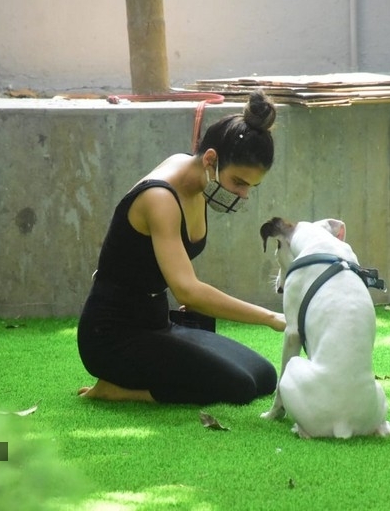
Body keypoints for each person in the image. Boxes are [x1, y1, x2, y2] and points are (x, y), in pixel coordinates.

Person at [76, 90, 285, 405]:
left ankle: (154, 370)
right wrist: (270, 317)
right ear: (211, 160)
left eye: (250, 187)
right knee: (238, 388)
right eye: (239, 182)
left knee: (264, 377)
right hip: (111, 336)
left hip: (157, 324)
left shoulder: (194, 173)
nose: (243, 196)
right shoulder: (160, 199)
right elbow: (188, 291)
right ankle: (118, 389)